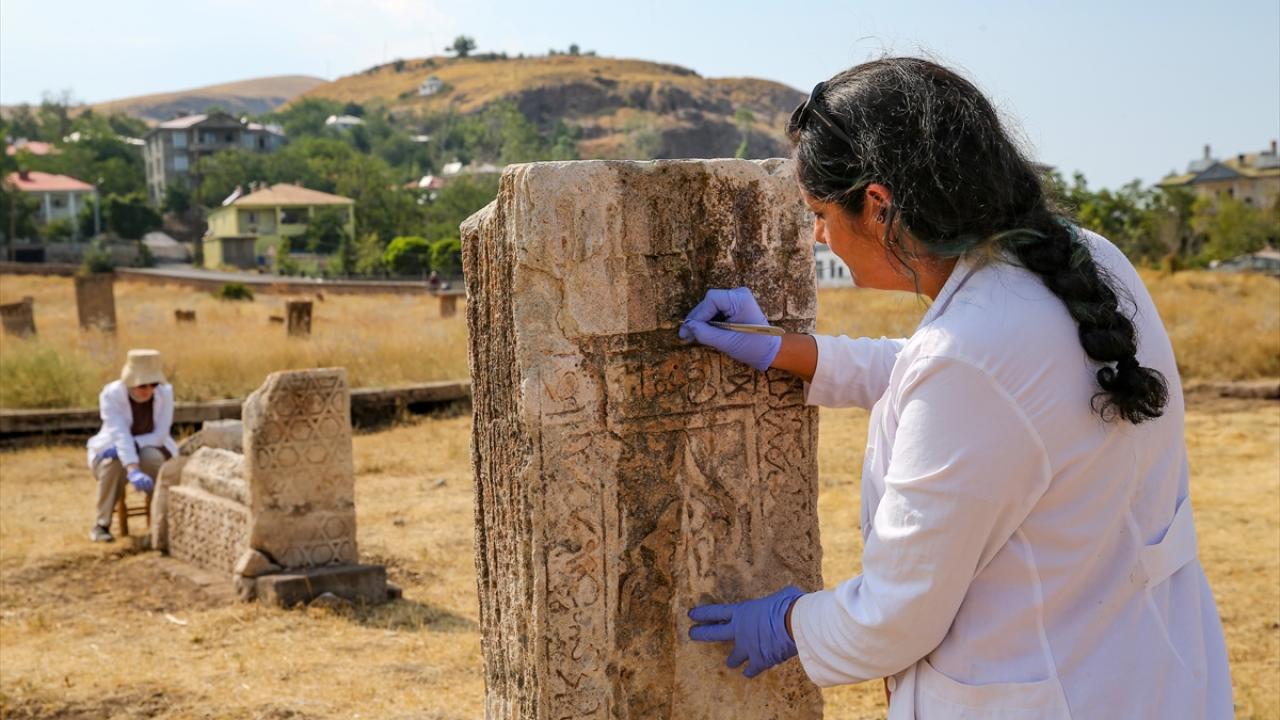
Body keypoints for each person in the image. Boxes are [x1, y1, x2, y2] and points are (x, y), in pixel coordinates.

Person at [681, 58, 1232, 718]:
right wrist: (791, 351)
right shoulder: (1086, 261)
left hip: (1044, 689)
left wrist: (793, 622)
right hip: (1143, 668)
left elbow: (892, 617)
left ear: (878, 205)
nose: (820, 236)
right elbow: (990, 396)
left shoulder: (973, 356)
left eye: (820, 213)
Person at [86, 349, 178, 543]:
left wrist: (135, 446)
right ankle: (102, 523)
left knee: (152, 458)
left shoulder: (165, 393)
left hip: (153, 446)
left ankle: (165, 519)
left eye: (153, 384)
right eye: (142, 384)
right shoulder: (111, 394)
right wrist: (132, 468)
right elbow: (119, 433)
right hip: (116, 445)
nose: (148, 390)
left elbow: (160, 435)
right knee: (112, 462)